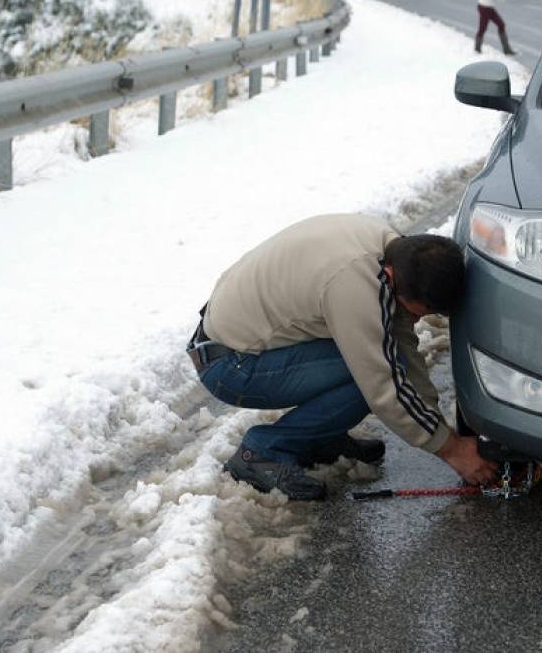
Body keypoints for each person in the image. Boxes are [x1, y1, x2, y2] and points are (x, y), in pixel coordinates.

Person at [187, 214, 499, 501]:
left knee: (382, 360)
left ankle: (318, 437)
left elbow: (401, 339)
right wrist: (452, 450)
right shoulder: (355, 285)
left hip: (242, 340)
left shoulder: (398, 254)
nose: (420, 318)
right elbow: (384, 385)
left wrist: (440, 425)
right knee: (370, 373)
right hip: (231, 365)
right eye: (423, 311)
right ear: (394, 280)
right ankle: (261, 452)